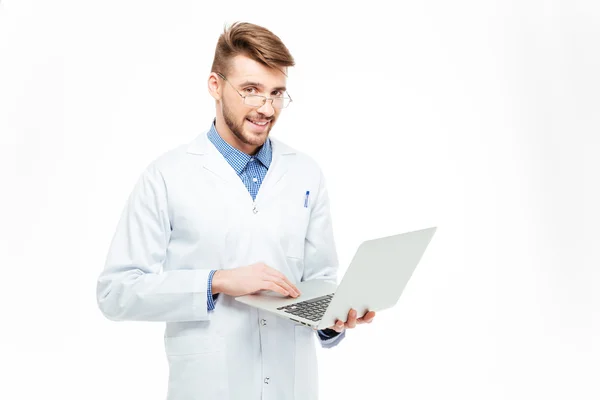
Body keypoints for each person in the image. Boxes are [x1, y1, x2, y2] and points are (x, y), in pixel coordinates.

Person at [96, 21, 376, 400]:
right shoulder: (167, 176)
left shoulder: (306, 173)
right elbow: (117, 292)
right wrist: (216, 281)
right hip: (209, 387)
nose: (266, 108)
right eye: (251, 91)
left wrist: (333, 319)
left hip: (290, 386)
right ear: (215, 85)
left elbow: (320, 279)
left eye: (277, 94)